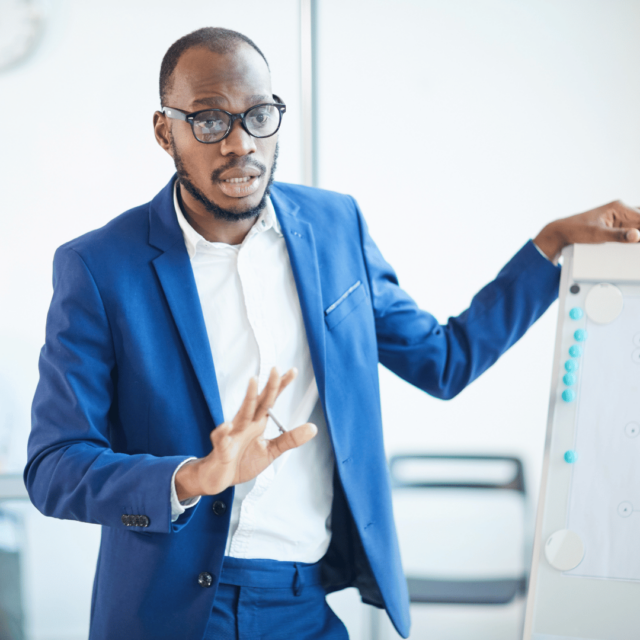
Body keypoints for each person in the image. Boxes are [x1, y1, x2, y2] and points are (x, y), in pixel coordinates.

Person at [24, 26, 640, 640]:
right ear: (166, 131)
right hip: (175, 614)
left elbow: (444, 362)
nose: (240, 143)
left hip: (306, 602)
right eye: (209, 121)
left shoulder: (333, 226)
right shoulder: (101, 266)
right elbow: (54, 465)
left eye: (259, 115)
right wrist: (192, 476)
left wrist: (551, 246)